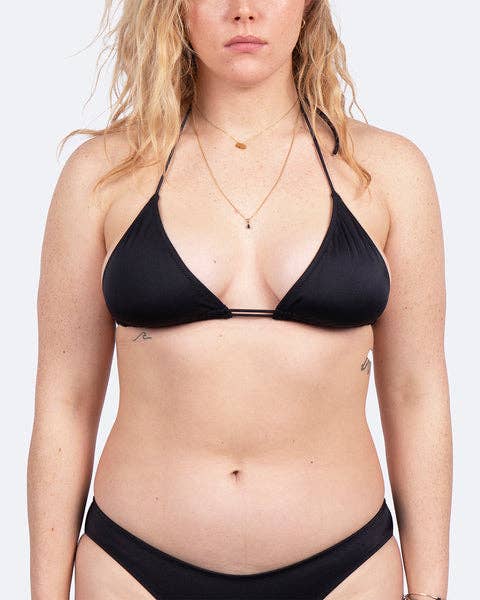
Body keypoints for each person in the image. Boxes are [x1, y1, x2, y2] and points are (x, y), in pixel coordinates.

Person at [27, 1, 452, 599]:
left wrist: (430, 592)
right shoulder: (102, 173)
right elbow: (65, 400)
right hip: (133, 568)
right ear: (177, 9)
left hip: (347, 570)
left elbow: (415, 392)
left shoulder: (388, 171)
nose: (244, 11)